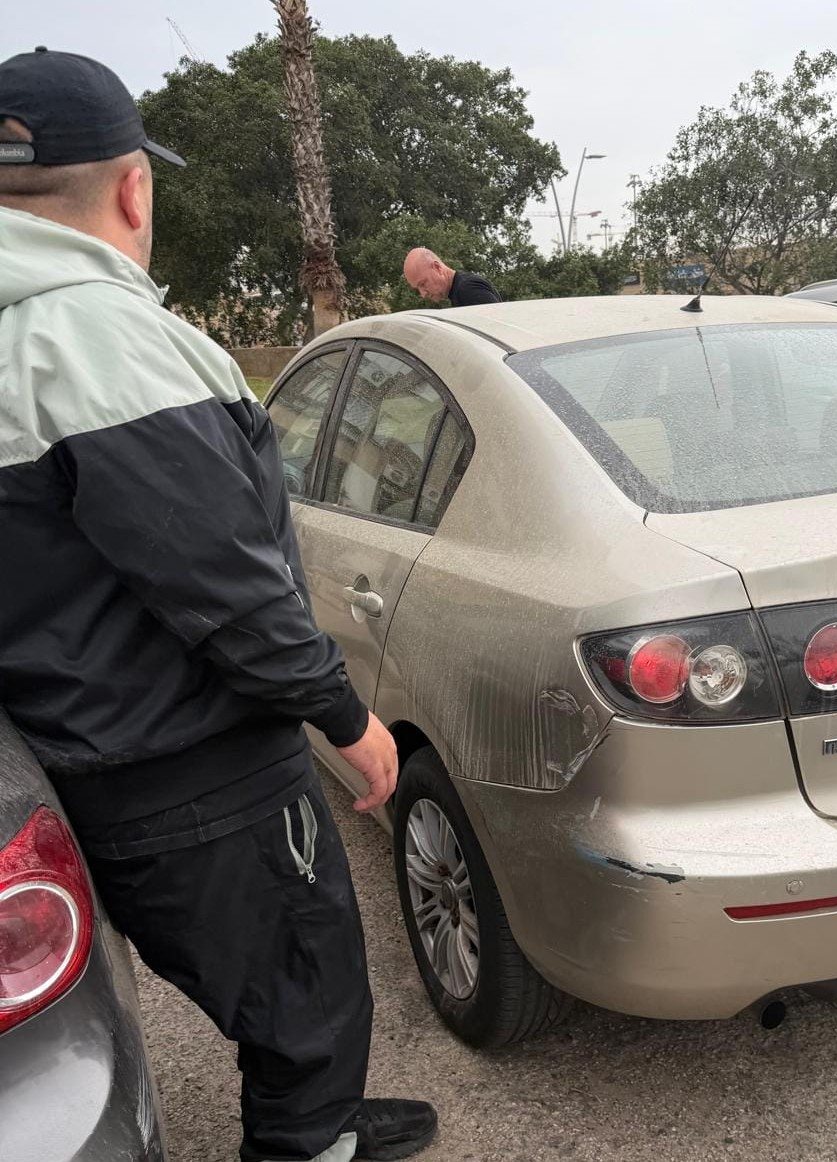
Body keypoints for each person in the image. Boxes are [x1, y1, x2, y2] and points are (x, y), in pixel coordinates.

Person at [0, 48, 437, 1162]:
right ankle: (311, 1135)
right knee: (306, 996)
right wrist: (346, 719)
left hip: (80, 744)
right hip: (195, 770)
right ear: (133, 187)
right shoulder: (90, 335)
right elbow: (227, 582)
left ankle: (324, 1115)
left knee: (275, 990)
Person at [403, 246, 502, 306]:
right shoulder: (459, 290)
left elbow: (497, 330)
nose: (423, 294)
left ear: (437, 268)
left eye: (423, 284)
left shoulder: (467, 290)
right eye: (418, 288)